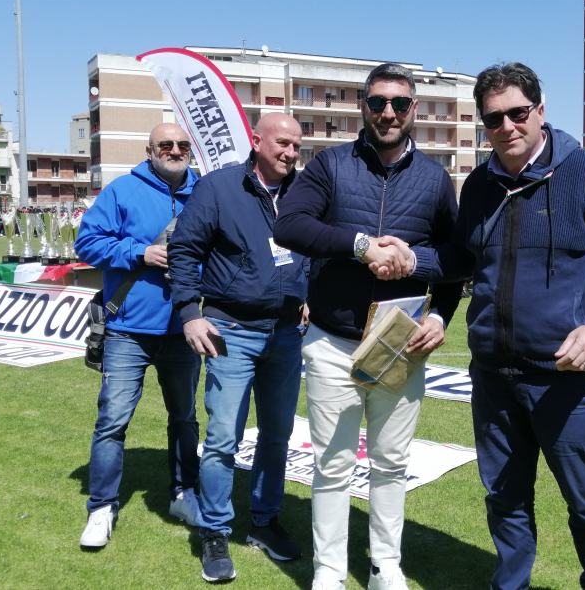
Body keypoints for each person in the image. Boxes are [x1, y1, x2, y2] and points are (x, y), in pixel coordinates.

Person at [380, 62, 585, 589]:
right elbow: (460, 259)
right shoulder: (480, 184)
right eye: (494, 119)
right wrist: (413, 259)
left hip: (566, 381)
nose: (507, 127)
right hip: (493, 379)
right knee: (504, 499)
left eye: (517, 113)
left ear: (540, 111)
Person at [273, 63, 463, 590]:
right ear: (362, 105)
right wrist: (361, 246)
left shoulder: (433, 178)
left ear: (414, 110)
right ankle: (330, 571)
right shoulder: (330, 165)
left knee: (391, 463)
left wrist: (440, 310)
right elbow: (288, 224)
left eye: (399, 104)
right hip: (333, 343)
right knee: (332, 466)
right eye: (378, 102)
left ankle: (385, 567)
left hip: (400, 342)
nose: (388, 113)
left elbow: (458, 259)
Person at [168, 113, 309, 583]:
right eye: (282, 143)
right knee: (224, 437)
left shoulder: (304, 191)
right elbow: (185, 249)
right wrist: (190, 312)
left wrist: (309, 294)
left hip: (287, 333)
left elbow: (315, 250)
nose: (290, 153)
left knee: (277, 435)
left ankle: (265, 522)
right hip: (231, 330)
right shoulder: (219, 188)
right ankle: (214, 530)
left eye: (296, 146)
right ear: (256, 140)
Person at [74, 123, 202, 548]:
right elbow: (87, 243)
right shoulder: (121, 190)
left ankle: (184, 493)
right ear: (149, 151)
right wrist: (138, 252)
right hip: (128, 328)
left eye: (182, 144)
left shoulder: (206, 191)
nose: (175, 150)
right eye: (165, 144)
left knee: (184, 418)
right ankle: (101, 507)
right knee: (112, 422)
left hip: (185, 328)